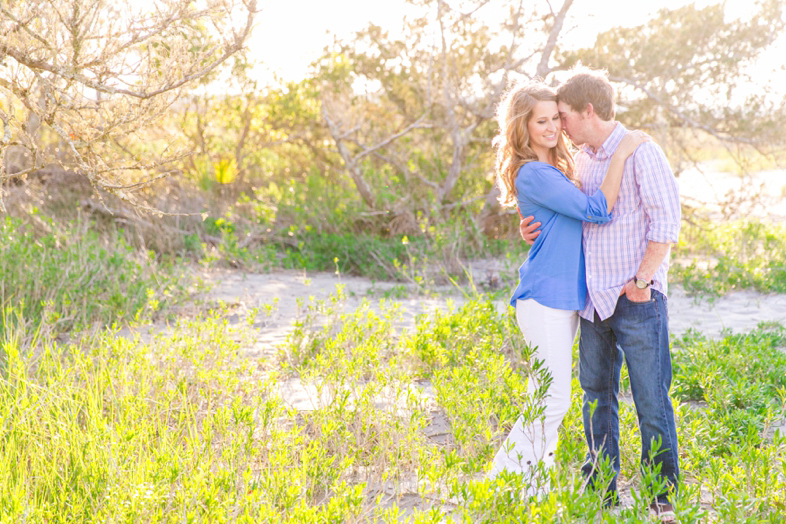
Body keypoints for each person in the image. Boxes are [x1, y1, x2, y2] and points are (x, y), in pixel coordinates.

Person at [520, 68, 681, 521]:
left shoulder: (641, 152)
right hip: (592, 302)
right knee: (596, 397)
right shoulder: (584, 157)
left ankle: (661, 497)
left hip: (636, 299)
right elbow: (569, 213)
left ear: (588, 111)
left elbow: (666, 222)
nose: (560, 127)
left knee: (651, 399)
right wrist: (529, 225)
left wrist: (644, 281)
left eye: (564, 116)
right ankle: (600, 493)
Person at [487, 81, 649, 498]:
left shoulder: (557, 169)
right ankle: (501, 483)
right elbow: (596, 210)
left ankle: (532, 490)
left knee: (545, 397)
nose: (551, 127)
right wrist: (623, 151)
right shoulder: (534, 172)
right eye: (540, 121)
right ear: (522, 127)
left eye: (555, 118)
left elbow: (560, 223)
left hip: (563, 301)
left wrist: (531, 230)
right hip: (544, 301)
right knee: (553, 399)